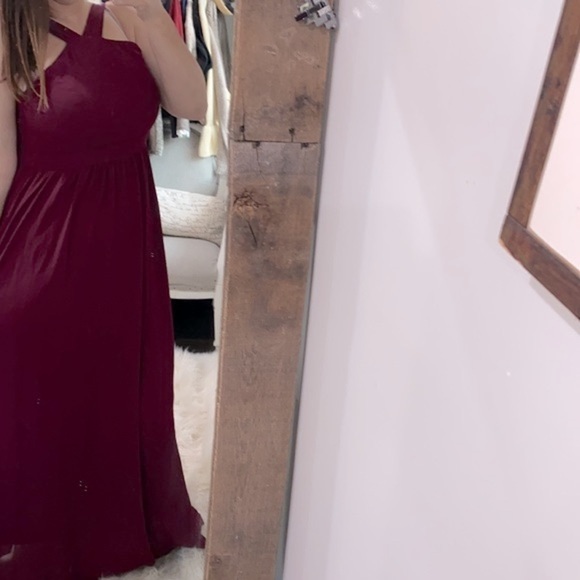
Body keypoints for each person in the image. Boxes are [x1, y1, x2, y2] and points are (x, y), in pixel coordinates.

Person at [0, 0, 207, 577]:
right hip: (40, 253)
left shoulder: (128, 18)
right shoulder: (11, 31)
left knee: (117, 391)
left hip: (124, 254)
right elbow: (0, 166)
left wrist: (152, 17)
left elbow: (193, 104)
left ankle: (107, 527)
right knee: (40, 400)